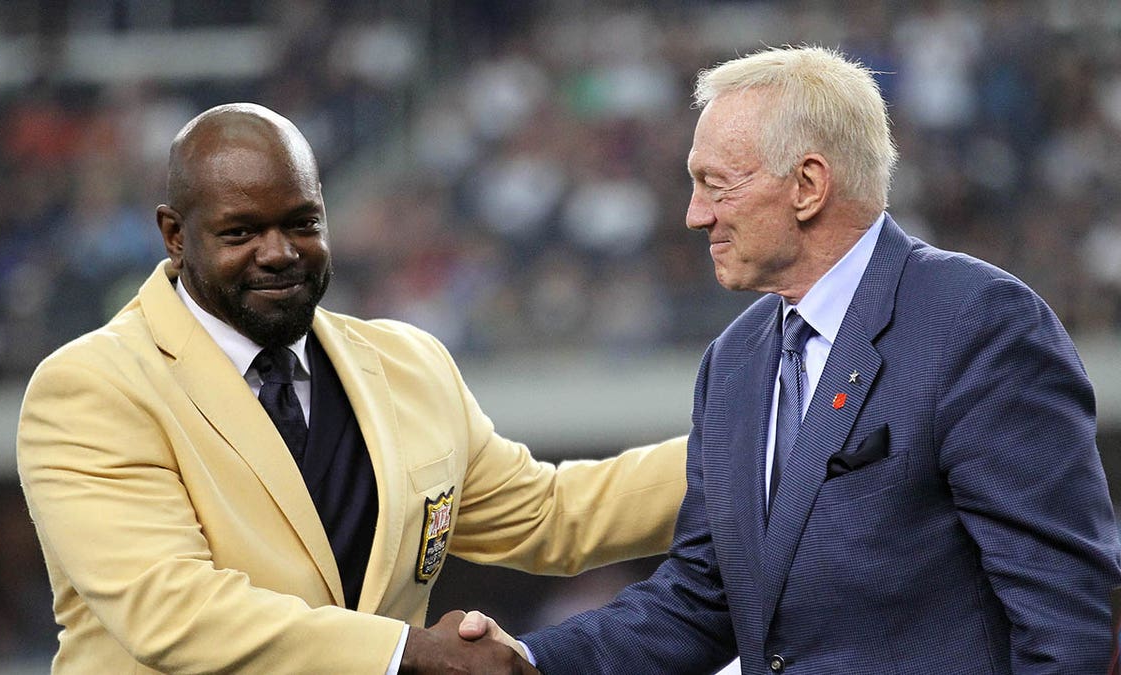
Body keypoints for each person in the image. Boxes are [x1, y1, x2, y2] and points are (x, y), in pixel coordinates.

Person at [468, 45, 1121, 673]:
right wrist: (526, 660)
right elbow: (699, 600)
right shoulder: (735, 361)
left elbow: (1063, 612)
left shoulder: (977, 322)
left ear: (808, 185)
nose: (696, 215)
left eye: (714, 185)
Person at [15, 102, 688, 674]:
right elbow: (171, 606)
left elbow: (551, 514)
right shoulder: (91, 388)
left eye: (302, 223)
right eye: (241, 231)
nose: (280, 251)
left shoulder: (408, 363)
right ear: (173, 235)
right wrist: (408, 652)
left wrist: (751, 444)